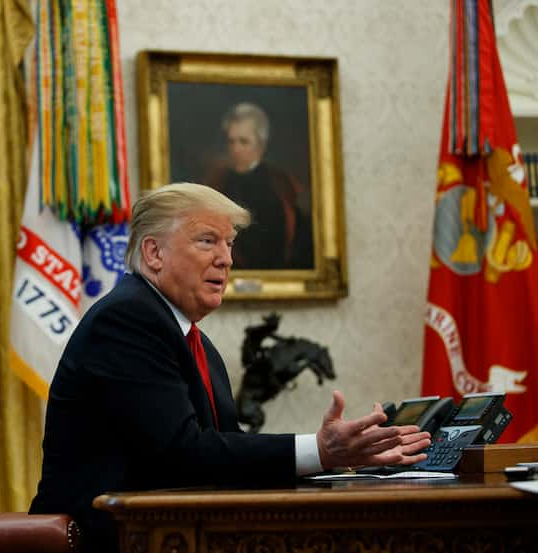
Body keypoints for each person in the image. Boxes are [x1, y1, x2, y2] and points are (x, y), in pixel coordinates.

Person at [29, 183, 430, 552]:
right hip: (101, 541)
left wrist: (347, 462)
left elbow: (227, 456)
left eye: (229, 244)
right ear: (154, 253)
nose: (227, 259)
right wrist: (321, 451)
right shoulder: (127, 320)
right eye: (207, 242)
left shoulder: (196, 342)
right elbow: (182, 454)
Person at [216, 102, 314, 269]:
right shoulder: (217, 183)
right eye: (231, 141)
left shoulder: (283, 185)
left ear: (261, 145)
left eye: (243, 142)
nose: (235, 149)